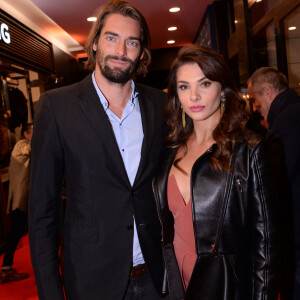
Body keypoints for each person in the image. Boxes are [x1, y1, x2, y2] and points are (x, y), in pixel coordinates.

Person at [28, 1, 168, 299]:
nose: (121, 51)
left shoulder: (160, 105)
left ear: (142, 52)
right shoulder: (57, 107)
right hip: (92, 283)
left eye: (132, 41)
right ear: (94, 44)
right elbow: (42, 213)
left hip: (157, 279)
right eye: (111, 38)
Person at [152, 45, 279, 299]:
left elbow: (266, 247)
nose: (194, 96)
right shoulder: (169, 149)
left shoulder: (250, 150)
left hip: (223, 286)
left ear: (222, 89)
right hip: (175, 281)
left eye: (205, 84)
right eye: (184, 87)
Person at [248, 67, 300, 300]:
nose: (256, 109)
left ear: (267, 91)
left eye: (256, 100)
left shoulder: (286, 123)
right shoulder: (292, 113)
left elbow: (278, 182)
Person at [0, 123, 33, 283]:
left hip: (23, 199)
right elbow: (34, 150)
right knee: (15, 233)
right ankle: (5, 269)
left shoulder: (24, 145)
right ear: (26, 134)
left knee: (18, 232)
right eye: (34, 131)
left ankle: (6, 268)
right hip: (20, 200)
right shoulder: (22, 145)